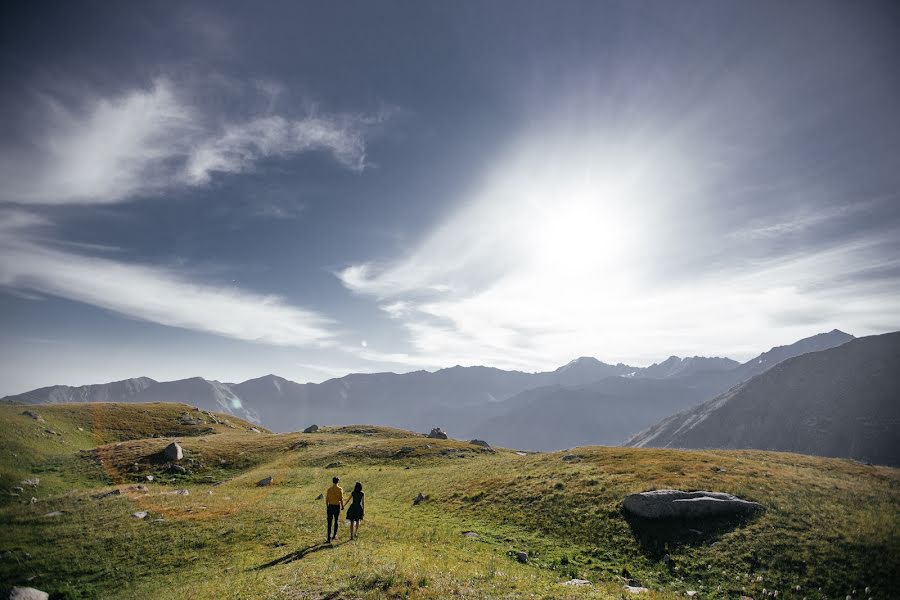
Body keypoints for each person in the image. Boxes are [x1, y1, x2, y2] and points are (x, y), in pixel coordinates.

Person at [325, 476, 345, 542]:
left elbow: (327, 499)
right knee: (336, 520)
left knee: (329, 522)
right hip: (336, 506)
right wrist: (342, 506)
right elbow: (341, 499)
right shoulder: (340, 489)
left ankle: (328, 537)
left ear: (332, 481)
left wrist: (327, 506)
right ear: (338, 481)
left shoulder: (329, 489)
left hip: (330, 506)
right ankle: (334, 535)